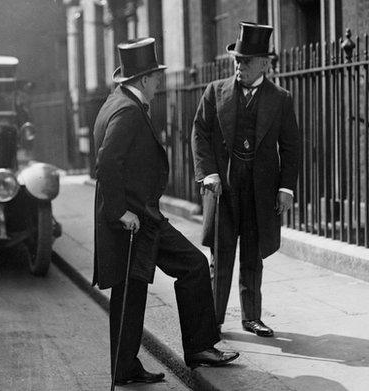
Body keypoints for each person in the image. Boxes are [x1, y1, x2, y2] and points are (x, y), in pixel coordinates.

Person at [93, 37, 239, 386]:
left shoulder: (117, 101)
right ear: (143, 79)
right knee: (190, 266)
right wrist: (119, 212)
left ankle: (127, 366)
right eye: (156, 76)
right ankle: (199, 348)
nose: (159, 82)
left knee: (135, 289)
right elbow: (107, 162)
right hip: (134, 220)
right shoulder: (128, 112)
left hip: (141, 218)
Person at [191, 22, 300, 337]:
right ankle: (212, 319)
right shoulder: (215, 92)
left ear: (264, 64)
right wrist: (208, 172)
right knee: (221, 256)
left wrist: (285, 188)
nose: (239, 66)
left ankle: (251, 317)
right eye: (237, 60)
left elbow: (291, 146)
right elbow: (199, 133)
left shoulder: (280, 98)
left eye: (246, 61)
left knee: (253, 256)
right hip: (224, 188)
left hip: (260, 190)